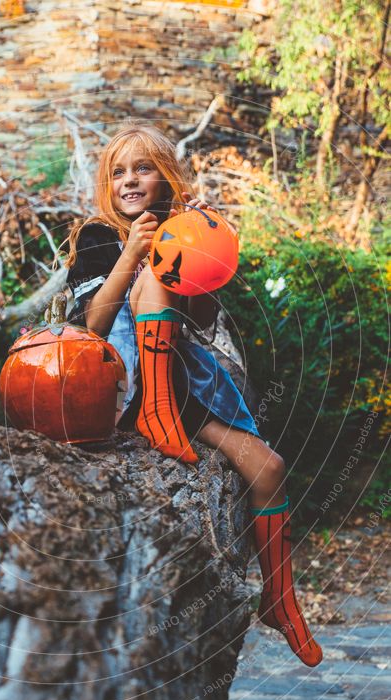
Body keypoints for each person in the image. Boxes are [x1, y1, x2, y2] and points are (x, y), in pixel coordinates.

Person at [58, 122, 322, 667]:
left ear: (167, 178)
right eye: (118, 172)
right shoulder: (98, 236)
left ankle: (279, 598)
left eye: (144, 169)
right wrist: (134, 254)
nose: (130, 181)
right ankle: (154, 416)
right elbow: (91, 326)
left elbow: (200, 323)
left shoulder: (182, 225)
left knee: (268, 468)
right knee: (152, 280)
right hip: (112, 381)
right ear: (107, 185)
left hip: (175, 383)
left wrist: (200, 244)